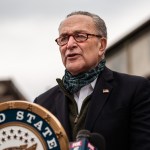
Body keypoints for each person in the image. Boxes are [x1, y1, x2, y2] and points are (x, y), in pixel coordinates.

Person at [34, 11, 150, 150]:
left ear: (101, 45)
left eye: (80, 36)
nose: (70, 44)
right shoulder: (42, 104)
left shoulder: (134, 90)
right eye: (64, 38)